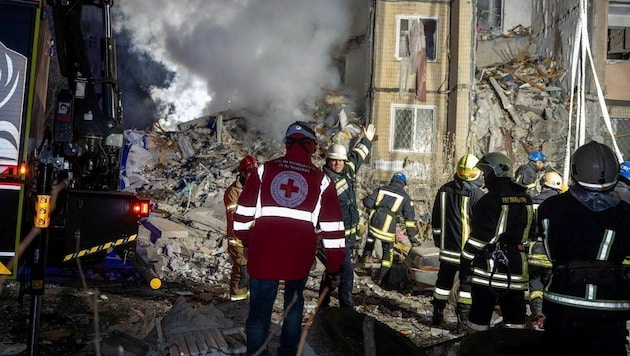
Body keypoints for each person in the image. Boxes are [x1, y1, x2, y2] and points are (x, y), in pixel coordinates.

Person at [232, 121, 346, 356]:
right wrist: (334, 268)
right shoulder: (322, 181)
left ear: (287, 144)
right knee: (293, 308)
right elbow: (333, 231)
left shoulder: (263, 171)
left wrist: (249, 241)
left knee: (259, 313)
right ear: (312, 146)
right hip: (298, 256)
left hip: (264, 253)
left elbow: (241, 216)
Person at [538, 141, 630, 356]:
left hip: (562, 302)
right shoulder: (625, 213)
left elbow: (550, 251)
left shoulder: (551, 207)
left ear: (575, 169)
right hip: (611, 309)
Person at [459, 152, 533, 332]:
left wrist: (465, 261)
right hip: (516, 268)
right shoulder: (525, 198)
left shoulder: (489, 200)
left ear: (496, 172)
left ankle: (474, 349)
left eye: (486, 172)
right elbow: (532, 232)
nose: (484, 176)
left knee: (479, 318)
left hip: (488, 270)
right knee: (515, 320)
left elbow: (480, 237)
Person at [318, 123, 376, 309]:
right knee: (346, 272)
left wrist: (366, 140)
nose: (338, 164)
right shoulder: (323, 182)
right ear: (327, 161)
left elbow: (358, 156)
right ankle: (346, 307)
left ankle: (323, 304)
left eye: (340, 160)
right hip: (334, 237)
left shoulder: (348, 170)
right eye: (334, 160)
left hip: (348, 237)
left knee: (333, 271)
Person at [430, 154, 485, 331]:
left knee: (442, 284)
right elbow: (481, 226)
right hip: (467, 253)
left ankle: (437, 315)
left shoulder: (444, 190)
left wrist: (438, 239)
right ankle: (462, 324)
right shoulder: (478, 196)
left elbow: (436, 219)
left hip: (447, 250)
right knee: (466, 287)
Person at [362, 172, 418, 285]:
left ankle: (365, 258)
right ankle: (383, 279)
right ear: (404, 184)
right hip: (388, 226)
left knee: (370, 239)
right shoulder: (405, 197)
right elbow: (409, 220)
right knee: (388, 252)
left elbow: (367, 203)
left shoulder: (381, 189)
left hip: (374, 222)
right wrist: (412, 238)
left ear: (392, 180)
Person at [527, 171, 562, 328]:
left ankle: (537, 311)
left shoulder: (532, 202)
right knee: (551, 284)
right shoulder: (562, 204)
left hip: (534, 250)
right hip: (552, 252)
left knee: (535, 283)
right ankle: (549, 317)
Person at [223, 155, 259, 301]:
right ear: (242, 173)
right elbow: (235, 217)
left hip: (256, 239)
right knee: (242, 272)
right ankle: (237, 303)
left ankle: (249, 302)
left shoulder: (259, 189)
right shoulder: (233, 192)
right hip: (238, 240)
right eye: (249, 172)